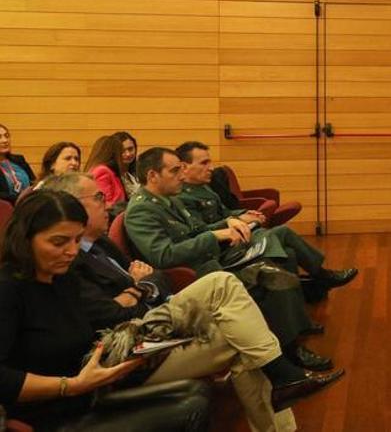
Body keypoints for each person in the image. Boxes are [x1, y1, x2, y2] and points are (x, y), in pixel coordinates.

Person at [40, 172, 344, 432]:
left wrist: (139, 287)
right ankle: (285, 376)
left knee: (247, 340)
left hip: (155, 323)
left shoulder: (101, 242)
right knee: (223, 288)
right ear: (71, 207)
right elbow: (113, 312)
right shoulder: (69, 260)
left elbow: (155, 276)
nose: (107, 204)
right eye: (98, 197)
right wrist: (142, 287)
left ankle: (284, 395)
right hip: (129, 351)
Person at [0, 190, 210, 430]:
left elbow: (84, 339)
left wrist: (133, 349)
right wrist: (71, 385)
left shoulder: (64, 280)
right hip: (50, 414)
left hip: (86, 397)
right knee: (190, 408)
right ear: (25, 239)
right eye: (59, 242)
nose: (72, 251)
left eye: (77, 240)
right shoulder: (8, 289)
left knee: (196, 391)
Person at [123, 148, 335, 371]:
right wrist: (214, 235)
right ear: (152, 176)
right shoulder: (140, 210)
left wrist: (228, 223)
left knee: (279, 263)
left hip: (212, 260)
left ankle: (293, 336)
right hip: (194, 275)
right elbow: (164, 255)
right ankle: (289, 354)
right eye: (175, 170)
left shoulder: (167, 198)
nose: (182, 176)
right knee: (270, 278)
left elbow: (197, 229)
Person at [174, 141, 356, 291]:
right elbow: (199, 231)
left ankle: (300, 309)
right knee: (282, 233)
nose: (211, 168)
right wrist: (232, 222)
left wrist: (243, 214)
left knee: (290, 254)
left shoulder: (204, 188)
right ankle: (320, 275)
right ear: (184, 167)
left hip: (237, 237)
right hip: (222, 249)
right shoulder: (180, 196)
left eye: (210, 162)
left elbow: (225, 212)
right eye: (204, 163)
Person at [84, 134, 129, 211]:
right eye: (121, 152)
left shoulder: (108, 170)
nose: (125, 155)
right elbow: (105, 203)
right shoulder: (102, 171)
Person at [0, 124, 34, 204]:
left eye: (7, 136)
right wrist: (21, 198)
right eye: (0, 137)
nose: (5, 140)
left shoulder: (19, 159)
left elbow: (33, 181)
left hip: (30, 205)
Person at [111, 131, 141, 199]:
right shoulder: (111, 174)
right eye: (122, 150)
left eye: (130, 149)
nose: (128, 154)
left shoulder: (134, 173)